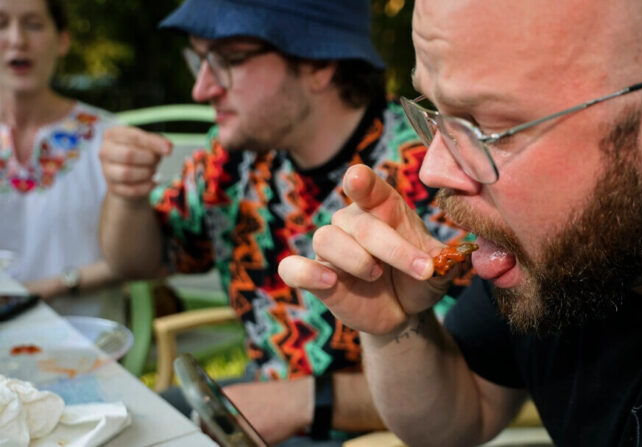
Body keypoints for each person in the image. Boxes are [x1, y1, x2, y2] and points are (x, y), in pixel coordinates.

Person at [278, 0, 642, 445]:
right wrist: (395, 326)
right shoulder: (569, 237)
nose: (432, 169)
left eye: (489, 128)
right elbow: (465, 411)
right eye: (436, 112)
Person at [98, 0, 471, 444]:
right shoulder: (233, 159)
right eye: (199, 60)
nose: (202, 89)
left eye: (228, 60)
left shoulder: (428, 172)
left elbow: (468, 378)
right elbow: (139, 261)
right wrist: (127, 196)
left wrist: (301, 401)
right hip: (254, 402)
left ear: (317, 64)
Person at [0, 0, 121, 320]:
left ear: (63, 39)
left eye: (34, 25)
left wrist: (52, 286)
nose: (16, 40)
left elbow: (139, 259)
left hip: (82, 347)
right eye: (1, 24)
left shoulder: (107, 138)